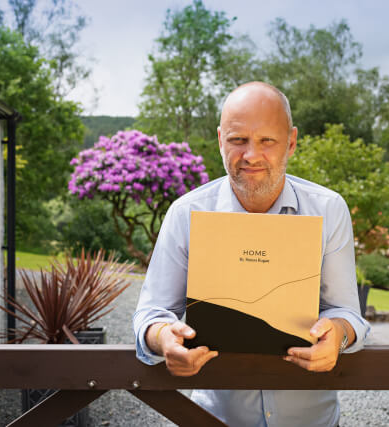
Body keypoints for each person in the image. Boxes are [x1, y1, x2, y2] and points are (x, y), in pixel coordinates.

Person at [133, 81, 370, 426]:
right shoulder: (185, 214)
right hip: (214, 419)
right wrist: (161, 338)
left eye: (267, 141)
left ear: (291, 142)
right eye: (238, 140)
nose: (251, 155)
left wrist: (339, 333)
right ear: (220, 140)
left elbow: (347, 313)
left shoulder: (329, 210)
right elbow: (151, 313)